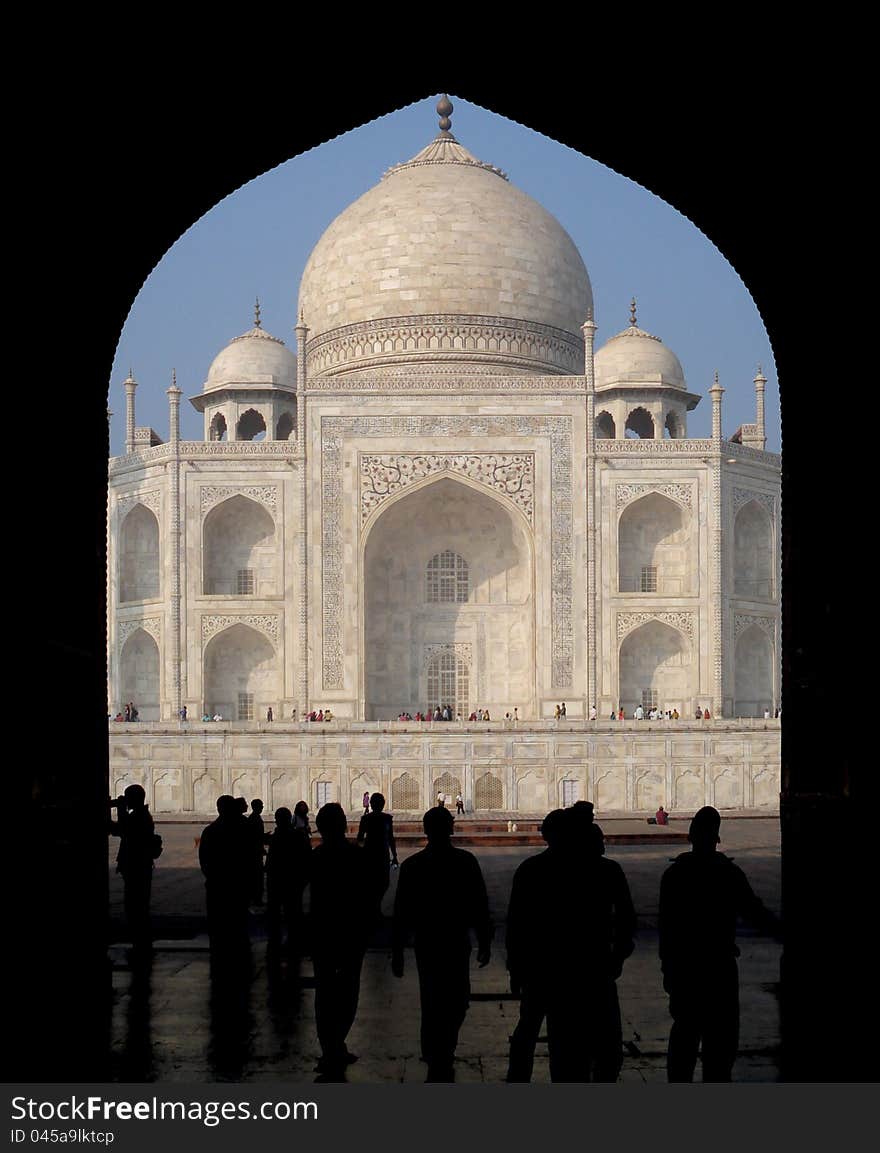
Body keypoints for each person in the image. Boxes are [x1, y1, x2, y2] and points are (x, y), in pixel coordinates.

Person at [506, 805, 635, 1081]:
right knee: (600, 1047)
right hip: (590, 968)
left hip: (546, 969)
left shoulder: (532, 870)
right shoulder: (604, 871)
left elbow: (516, 925)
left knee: (557, 1045)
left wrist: (516, 966)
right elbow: (627, 922)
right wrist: (617, 958)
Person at [659, 806, 781, 1082]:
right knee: (719, 1041)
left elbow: (667, 928)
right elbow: (754, 911)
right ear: (716, 837)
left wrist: (667, 968)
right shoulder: (727, 873)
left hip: (685, 967)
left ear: (691, 836)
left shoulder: (675, 875)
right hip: (718, 966)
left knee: (685, 1035)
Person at [392, 806, 492, 1081]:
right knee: (448, 997)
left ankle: (437, 1049)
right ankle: (441, 1050)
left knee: (441, 997)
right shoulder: (459, 862)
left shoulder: (424, 864)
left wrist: (398, 950)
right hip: (447, 940)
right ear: (450, 828)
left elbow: (401, 912)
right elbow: (479, 904)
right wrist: (484, 938)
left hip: (437, 941)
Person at [308, 803, 372, 1080]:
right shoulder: (356, 856)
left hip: (323, 932)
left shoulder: (315, 857)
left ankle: (330, 1046)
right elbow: (368, 896)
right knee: (347, 990)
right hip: (349, 933)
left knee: (324, 992)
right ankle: (336, 1043)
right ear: (345, 825)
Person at [199, 795, 252, 955]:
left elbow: (205, 860)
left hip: (218, 886)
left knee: (219, 928)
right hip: (236, 886)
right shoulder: (241, 830)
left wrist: (214, 878)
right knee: (237, 926)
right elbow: (248, 857)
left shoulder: (211, 831)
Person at [109, 784, 158, 955]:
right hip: (139, 866)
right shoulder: (140, 815)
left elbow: (121, 830)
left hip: (137, 866)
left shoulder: (140, 816)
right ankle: (141, 942)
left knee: (136, 906)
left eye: (127, 797)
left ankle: (141, 944)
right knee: (137, 906)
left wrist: (120, 810)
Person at [265, 806, 311, 957]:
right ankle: (295, 942)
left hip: (278, 881)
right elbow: (306, 858)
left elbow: (271, 862)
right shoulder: (297, 836)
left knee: (276, 914)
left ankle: (275, 944)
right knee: (293, 912)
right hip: (292, 881)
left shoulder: (277, 837)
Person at [357, 792, 398, 923]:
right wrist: (395, 856)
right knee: (380, 881)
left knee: (379, 882)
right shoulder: (383, 819)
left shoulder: (373, 818)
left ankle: (374, 909)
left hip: (373, 852)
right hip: (379, 852)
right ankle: (375, 910)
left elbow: (359, 838)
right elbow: (390, 838)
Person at [246, 799, 266, 906]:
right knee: (257, 877)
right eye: (261, 806)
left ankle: (256, 898)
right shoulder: (254, 818)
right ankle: (256, 899)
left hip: (256, 851)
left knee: (256, 877)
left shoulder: (254, 817)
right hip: (255, 852)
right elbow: (255, 836)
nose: (262, 807)